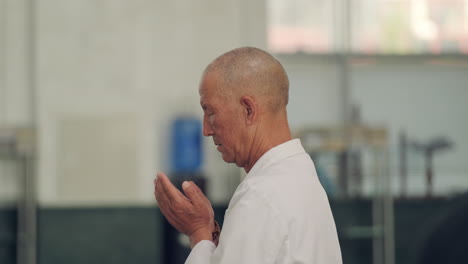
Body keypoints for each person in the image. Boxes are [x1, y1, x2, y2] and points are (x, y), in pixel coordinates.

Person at [154, 47, 342, 263]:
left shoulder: (261, 196)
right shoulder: (299, 177)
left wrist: (198, 233)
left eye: (211, 112)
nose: (206, 129)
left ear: (248, 110)